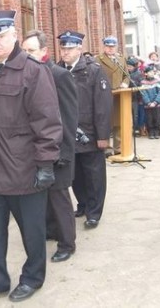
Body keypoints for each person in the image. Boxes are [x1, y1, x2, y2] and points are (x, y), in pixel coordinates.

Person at [0, 10, 62, 302]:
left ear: (14, 35)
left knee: (32, 231)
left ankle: (33, 278)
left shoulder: (33, 71)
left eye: (1, 36)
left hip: (24, 170)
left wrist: (45, 163)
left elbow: (48, 121)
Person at [22, 30, 78, 263]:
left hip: (58, 150)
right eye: (24, 51)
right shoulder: (26, 74)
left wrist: (63, 152)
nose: (26, 55)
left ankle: (67, 243)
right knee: (43, 196)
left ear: (44, 51)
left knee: (59, 197)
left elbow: (68, 117)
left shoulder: (59, 75)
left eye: (31, 51)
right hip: (37, 149)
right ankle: (51, 230)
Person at [58, 30, 112, 229]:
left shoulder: (93, 70)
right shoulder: (58, 69)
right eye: (63, 48)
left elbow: (103, 105)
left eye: (69, 48)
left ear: (79, 48)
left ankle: (94, 212)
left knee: (94, 175)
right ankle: (82, 204)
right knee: (75, 175)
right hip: (68, 134)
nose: (65, 52)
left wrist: (103, 135)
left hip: (89, 133)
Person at [97, 36, 128, 154]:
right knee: (106, 123)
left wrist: (125, 84)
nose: (110, 49)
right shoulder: (98, 60)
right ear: (104, 47)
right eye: (108, 46)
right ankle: (106, 149)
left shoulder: (121, 59)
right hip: (104, 95)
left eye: (112, 47)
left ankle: (118, 148)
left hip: (119, 95)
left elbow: (126, 76)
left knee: (118, 122)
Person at [139, 66, 160, 139]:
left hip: (156, 104)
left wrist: (156, 102)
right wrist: (148, 102)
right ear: (146, 73)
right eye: (150, 72)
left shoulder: (157, 81)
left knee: (157, 118)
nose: (152, 73)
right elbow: (143, 93)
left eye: (153, 71)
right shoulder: (143, 82)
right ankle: (151, 131)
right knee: (149, 118)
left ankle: (157, 131)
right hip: (148, 105)